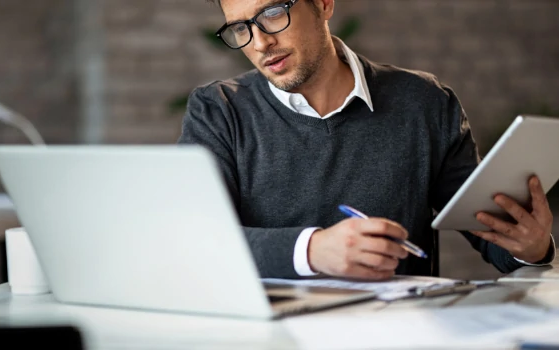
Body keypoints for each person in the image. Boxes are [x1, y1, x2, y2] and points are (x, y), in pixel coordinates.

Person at [177, 0, 555, 280]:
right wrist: (312, 250)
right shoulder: (218, 111)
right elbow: (195, 240)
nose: (259, 43)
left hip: (399, 331)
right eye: (239, 28)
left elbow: (490, 234)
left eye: (273, 13)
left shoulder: (425, 102)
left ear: (323, 4)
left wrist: (532, 248)